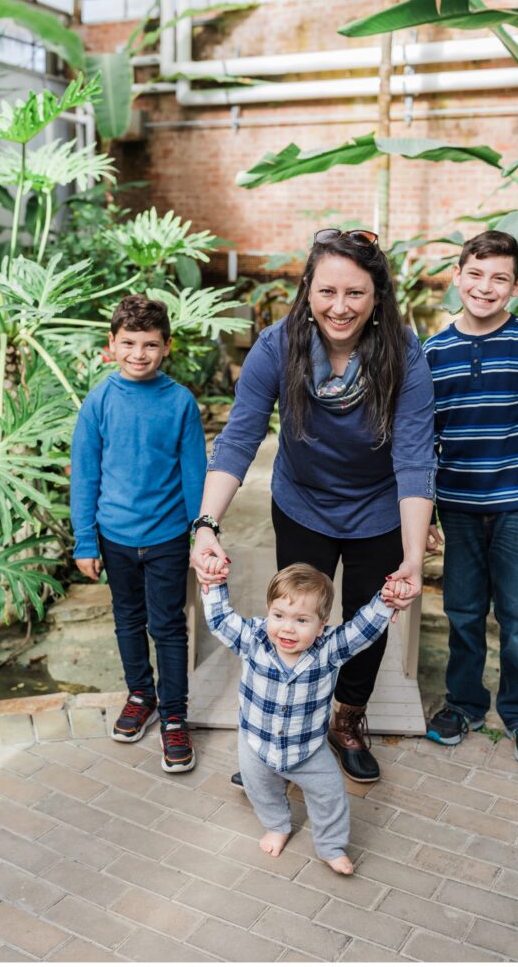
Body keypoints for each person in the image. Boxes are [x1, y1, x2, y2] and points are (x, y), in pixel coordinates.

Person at [190, 228, 436, 784]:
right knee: (297, 620)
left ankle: (347, 720)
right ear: (307, 290)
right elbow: (238, 437)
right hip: (301, 504)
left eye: (355, 293)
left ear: (378, 297)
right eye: (327, 292)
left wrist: (414, 556)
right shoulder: (278, 347)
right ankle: (283, 737)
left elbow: (416, 458)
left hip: (379, 510)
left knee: (369, 620)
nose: (339, 307)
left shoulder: (404, 354)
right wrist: (207, 524)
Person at [423, 230, 518, 766]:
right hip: (458, 509)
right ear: (456, 276)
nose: (485, 287)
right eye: (475, 275)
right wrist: (426, 514)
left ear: (516, 286)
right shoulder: (433, 352)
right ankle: (464, 704)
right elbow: (425, 443)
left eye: (499, 278)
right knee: (461, 612)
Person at [70, 294, 206, 773]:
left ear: (166, 346)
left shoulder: (180, 403)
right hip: (115, 537)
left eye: (150, 344)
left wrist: (200, 537)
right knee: (127, 620)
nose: (138, 354)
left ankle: (174, 716)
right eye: (128, 343)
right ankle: (140, 695)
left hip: (168, 536)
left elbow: (194, 476)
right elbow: (85, 474)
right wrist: (85, 540)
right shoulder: (99, 401)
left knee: (167, 626)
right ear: (111, 344)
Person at [201, 562, 409, 873]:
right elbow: (219, 619)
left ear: (322, 625)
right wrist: (215, 583)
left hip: (308, 750)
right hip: (256, 744)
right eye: (279, 616)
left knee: (330, 797)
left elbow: (362, 630)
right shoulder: (254, 639)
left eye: (302, 620)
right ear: (268, 611)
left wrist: (385, 601)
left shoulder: (329, 649)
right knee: (262, 790)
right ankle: (277, 826)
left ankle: (331, 846)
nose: (287, 628)